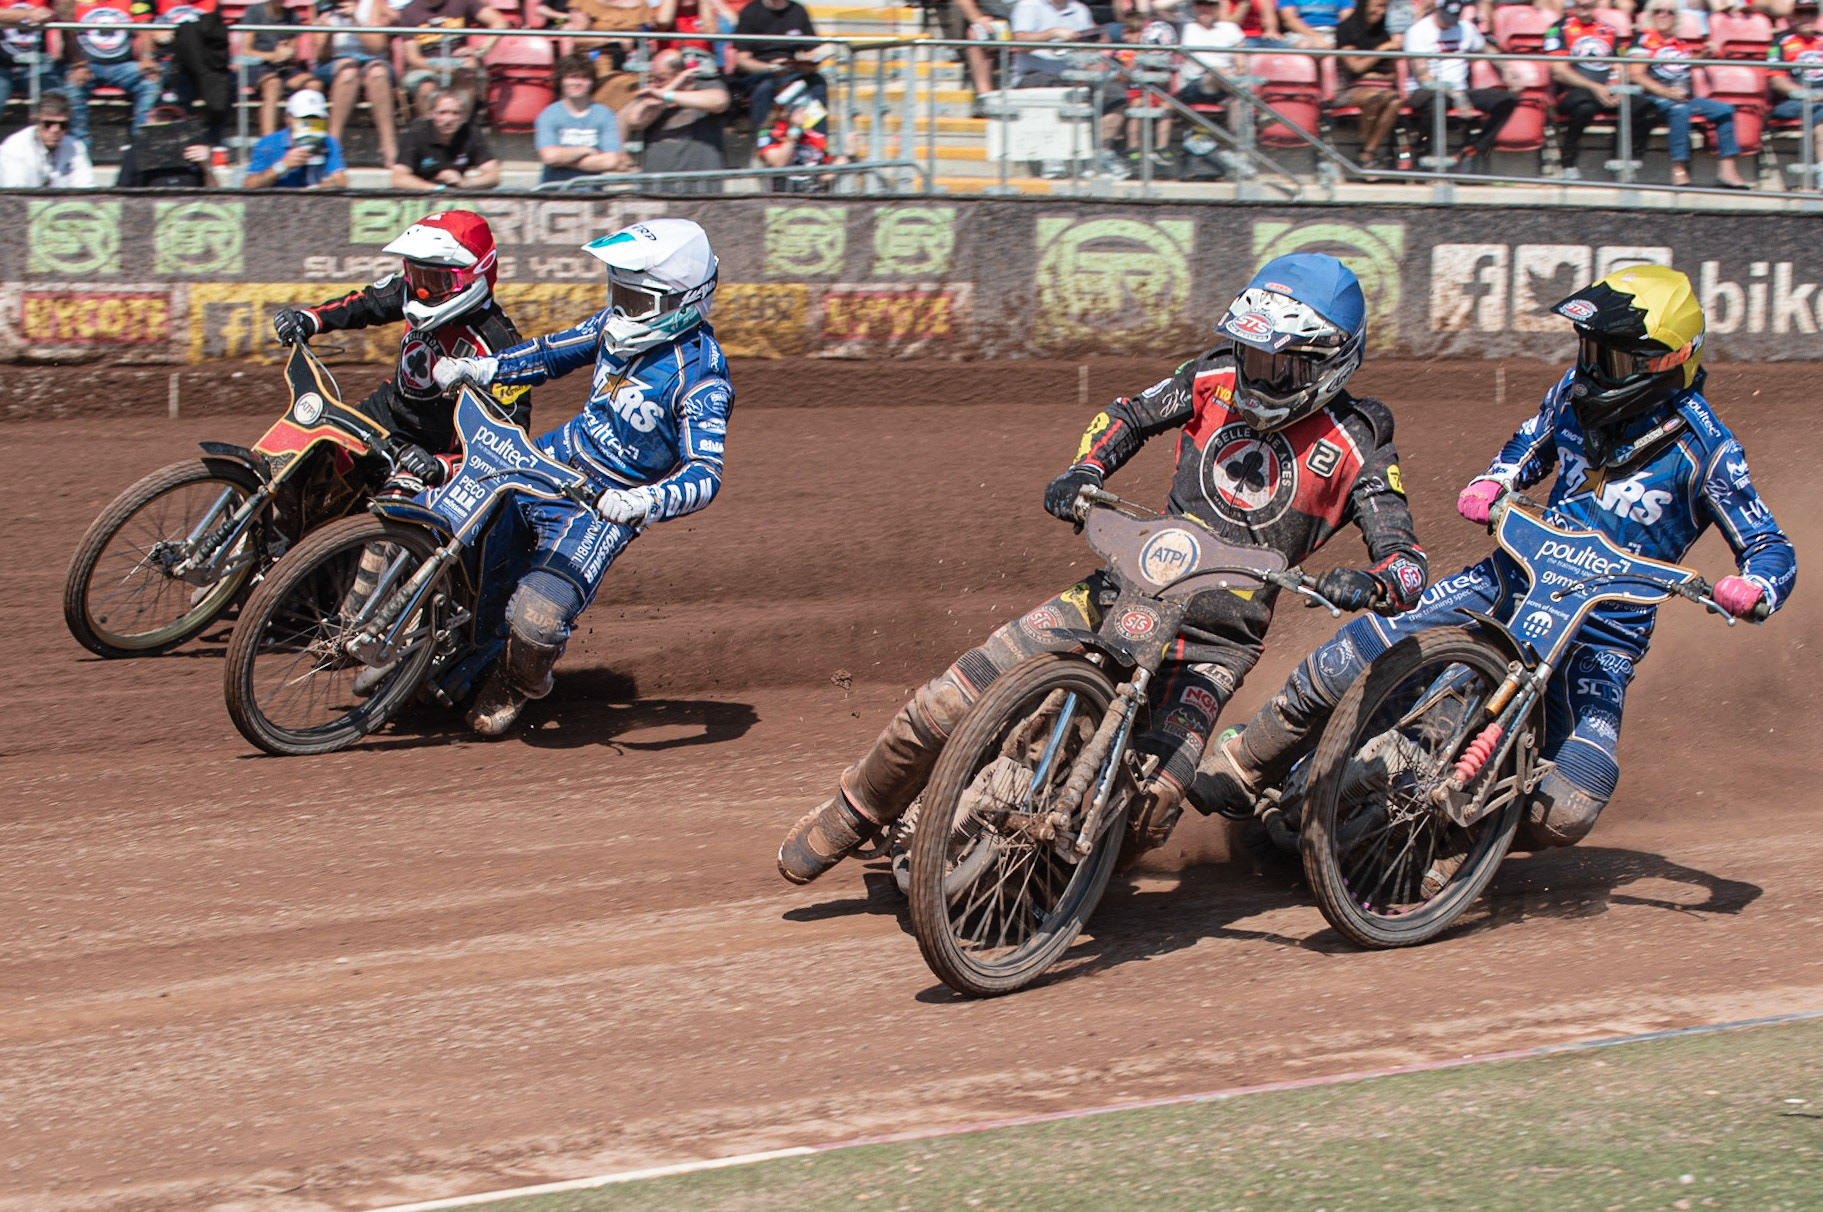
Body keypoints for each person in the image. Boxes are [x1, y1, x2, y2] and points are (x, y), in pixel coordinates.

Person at [776, 253, 1431, 886]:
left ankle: (1048, 882)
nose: (1256, 373)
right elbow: (1128, 413)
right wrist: (1084, 470)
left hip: (1215, 640)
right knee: (946, 701)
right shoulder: (1212, 377)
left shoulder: (1359, 439)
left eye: (1278, 363)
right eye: (1249, 353)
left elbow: (1405, 561)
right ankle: (852, 811)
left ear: (1327, 363)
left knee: (1152, 810)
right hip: (1124, 586)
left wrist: (1373, 583)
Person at [1193, 265, 1796, 865]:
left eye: (1607, 358)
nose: (1589, 369)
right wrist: (1492, 481)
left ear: (1662, 362)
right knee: (1359, 646)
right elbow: (1523, 450)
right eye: (1587, 350)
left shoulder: (1708, 450)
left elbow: (1769, 545)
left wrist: (1756, 586)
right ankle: (1247, 760)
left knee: (1569, 806)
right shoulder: (1572, 395)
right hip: (1510, 579)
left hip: (1602, 635)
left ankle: (1469, 845)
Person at [428, 218, 732, 738]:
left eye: (636, 300)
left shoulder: (701, 377)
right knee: (444, 514)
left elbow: (706, 474)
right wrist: (484, 369)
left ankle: (516, 681)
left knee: (537, 618)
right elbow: (548, 354)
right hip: (551, 457)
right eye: (620, 292)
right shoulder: (613, 326)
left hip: (601, 505)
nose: (621, 309)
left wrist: (641, 503)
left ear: (680, 304)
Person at [270, 211, 531, 498]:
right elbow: (367, 303)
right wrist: (309, 319)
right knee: (298, 461)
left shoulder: (502, 346)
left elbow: (509, 439)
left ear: (474, 275)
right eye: (416, 275)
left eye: (435, 281)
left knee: (390, 521)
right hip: (381, 417)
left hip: (433, 451)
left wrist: (445, 466)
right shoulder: (412, 291)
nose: (420, 289)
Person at [1629, 0, 1751, 186]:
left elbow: (1687, 62)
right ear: (1650, 14)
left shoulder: (1678, 42)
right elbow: (1636, 75)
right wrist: (1666, 92)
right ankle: (1679, 167)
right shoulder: (1643, 40)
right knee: (1679, 110)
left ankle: (1727, 170)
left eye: (1669, 12)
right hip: (1654, 98)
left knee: (1724, 110)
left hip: (1684, 96)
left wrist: (1705, 54)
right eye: (1658, 11)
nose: (1664, 15)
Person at [1402, 0, 1518, 173]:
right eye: (1446, 16)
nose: (1450, 22)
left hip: (1459, 90)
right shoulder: (1418, 31)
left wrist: (1507, 69)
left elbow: (1486, 49)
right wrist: (1456, 95)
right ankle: (1423, 152)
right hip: (1427, 90)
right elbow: (1423, 76)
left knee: (1507, 100)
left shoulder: (1465, 28)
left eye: (1454, 17)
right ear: (1438, 9)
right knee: (1436, 102)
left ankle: (1471, 150)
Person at [1546, 0, 1654, 179]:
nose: (1584, 6)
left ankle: (1623, 162)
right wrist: (1595, 88)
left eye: (1589, 3)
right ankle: (1568, 162)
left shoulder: (1609, 30)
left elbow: (1619, 65)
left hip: (1607, 89)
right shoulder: (1558, 30)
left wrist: (1619, 87)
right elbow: (1559, 72)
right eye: (1580, 3)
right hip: (1573, 91)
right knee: (1585, 107)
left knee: (1646, 108)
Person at [620, 47, 731, 190]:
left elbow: (719, 102)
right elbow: (635, 121)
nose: (656, 83)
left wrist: (668, 95)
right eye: (653, 77)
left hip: (701, 188)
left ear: (682, 74)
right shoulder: (655, 94)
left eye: (661, 78)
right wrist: (662, 94)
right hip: (659, 189)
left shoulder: (706, 86)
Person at [309, 0, 400, 168]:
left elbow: (377, 48)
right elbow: (320, 55)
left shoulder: (372, 4)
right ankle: (333, 145)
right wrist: (328, 33)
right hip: (336, 62)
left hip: (372, 59)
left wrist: (355, 19)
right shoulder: (322, 6)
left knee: (378, 74)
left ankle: (389, 148)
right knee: (348, 74)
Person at [64, 0, 162, 148]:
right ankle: (79, 145)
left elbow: (144, 27)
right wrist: (78, 64)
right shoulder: (75, 3)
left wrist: (147, 58)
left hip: (123, 66)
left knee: (150, 82)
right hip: (88, 65)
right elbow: (67, 30)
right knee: (72, 86)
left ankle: (141, 143)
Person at [396, 0, 508, 117]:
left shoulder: (461, 2)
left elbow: (499, 22)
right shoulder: (408, 12)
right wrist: (441, 67)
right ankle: (429, 130)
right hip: (426, 65)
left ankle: (463, 125)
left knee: (467, 72)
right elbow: (413, 58)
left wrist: (479, 51)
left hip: (457, 62)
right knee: (426, 88)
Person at [536, 51, 630, 183]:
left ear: (592, 82)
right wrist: (586, 150)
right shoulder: (549, 114)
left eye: (584, 78)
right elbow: (550, 157)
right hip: (554, 193)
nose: (578, 82)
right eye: (572, 77)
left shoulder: (605, 115)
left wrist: (565, 160)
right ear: (561, 81)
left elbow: (611, 161)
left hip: (591, 194)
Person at [732, 0, 825, 130]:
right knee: (766, 86)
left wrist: (809, 63)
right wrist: (770, 68)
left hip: (790, 71)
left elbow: (811, 53)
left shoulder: (798, 11)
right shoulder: (751, 11)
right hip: (758, 74)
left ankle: (816, 141)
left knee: (817, 83)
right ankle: (763, 141)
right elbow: (742, 60)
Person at [1334, 0, 1404, 174]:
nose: (1381, 11)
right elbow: (1355, 67)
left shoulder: (1385, 30)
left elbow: (1392, 69)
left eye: (1384, 7)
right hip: (1350, 88)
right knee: (1374, 97)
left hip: (1383, 86)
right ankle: (1367, 153)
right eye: (1377, 6)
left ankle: (1367, 152)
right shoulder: (1346, 28)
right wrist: (1382, 49)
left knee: (1395, 101)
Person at [391, 87, 500, 189]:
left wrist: (465, 182)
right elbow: (398, 178)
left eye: (455, 113)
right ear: (431, 113)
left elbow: (493, 175)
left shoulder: (471, 133)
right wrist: (437, 189)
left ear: (463, 115)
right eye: (442, 113)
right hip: (421, 196)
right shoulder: (416, 133)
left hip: (456, 194)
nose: (448, 119)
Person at [235, 0, 313, 139]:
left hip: (284, 68)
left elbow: (293, 50)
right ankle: (268, 142)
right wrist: (273, 55)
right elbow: (245, 50)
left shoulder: (292, 16)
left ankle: (305, 139)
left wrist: (288, 52)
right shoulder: (254, 11)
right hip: (257, 66)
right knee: (273, 85)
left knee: (313, 84)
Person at [1767, 0, 1823, 187]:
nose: (1806, 17)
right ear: (1792, 17)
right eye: (1801, 13)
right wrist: (1807, 93)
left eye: (1811, 12)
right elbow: (1777, 80)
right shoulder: (1780, 42)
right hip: (1790, 102)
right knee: (1818, 113)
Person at [244, 87, 347, 187]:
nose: (310, 125)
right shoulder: (269, 144)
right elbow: (250, 185)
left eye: (316, 119)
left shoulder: (329, 143)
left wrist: (318, 188)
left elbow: (341, 181)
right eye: (304, 120)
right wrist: (283, 165)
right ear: (288, 118)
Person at [753, 74, 831, 190]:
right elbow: (779, 163)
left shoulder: (813, 135)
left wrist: (849, 155)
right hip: (782, 199)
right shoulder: (768, 133)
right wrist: (794, 130)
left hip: (813, 198)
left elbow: (826, 174)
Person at [0, 89, 94, 185]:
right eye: (48, 124)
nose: (55, 130)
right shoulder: (14, 148)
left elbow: (86, 187)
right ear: (37, 122)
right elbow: (14, 194)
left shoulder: (75, 147)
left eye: (63, 125)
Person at [114, 100, 215, 184]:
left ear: (185, 120)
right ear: (150, 119)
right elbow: (120, 194)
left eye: (174, 118)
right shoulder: (136, 152)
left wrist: (206, 166)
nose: (168, 121)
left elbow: (216, 197)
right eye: (161, 116)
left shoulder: (196, 151)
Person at [0, 1, 64, 113]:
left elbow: (64, 9)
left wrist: (52, 13)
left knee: (56, 105)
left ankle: (54, 129)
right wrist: (28, 14)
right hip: (2, 65)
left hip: (38, 64)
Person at [1176, 0, 1244, 107]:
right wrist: (1217, 70)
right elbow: (1158, 7)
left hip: (1227, 84)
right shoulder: (1184, 28)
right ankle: (1255, 103)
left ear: (1218, 6)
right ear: (1193, 6)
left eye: (1211, 4)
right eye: (1200, 3)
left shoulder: (1231, 28)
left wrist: (1237, 71)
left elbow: (1241, 63)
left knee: (1236, 102)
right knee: (1216, 74)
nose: (1205, 8)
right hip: (1194, 84)